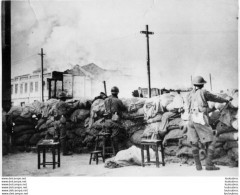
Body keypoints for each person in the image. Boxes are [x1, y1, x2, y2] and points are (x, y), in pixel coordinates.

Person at [187, 76, 232, 171]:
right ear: (202, 84)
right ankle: (209, 165)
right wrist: (225, 100)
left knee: (194, 142)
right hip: (199, 118)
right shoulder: (203, 92)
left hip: (191, 118)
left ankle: (198, 166)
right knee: (212, 140)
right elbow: (215, 98)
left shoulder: (190, 94)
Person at [102, 86, 126, 153]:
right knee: (117, 133)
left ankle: (106, 152)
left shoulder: (106, 100)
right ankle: (116, 152)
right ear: (117, 93)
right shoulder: (118, 100)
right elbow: (123, 108)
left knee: (107, 136)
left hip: (106, 122)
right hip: (114, 122)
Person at [53, 91, 73, 156]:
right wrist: (67, 112)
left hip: (55, 121)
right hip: (62, 120)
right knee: (63, 137)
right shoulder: (64, 103)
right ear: (64, 98)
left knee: (56, 136)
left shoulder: (56, 104)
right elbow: (71, 108)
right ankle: (64, 152)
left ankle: (55, 151)